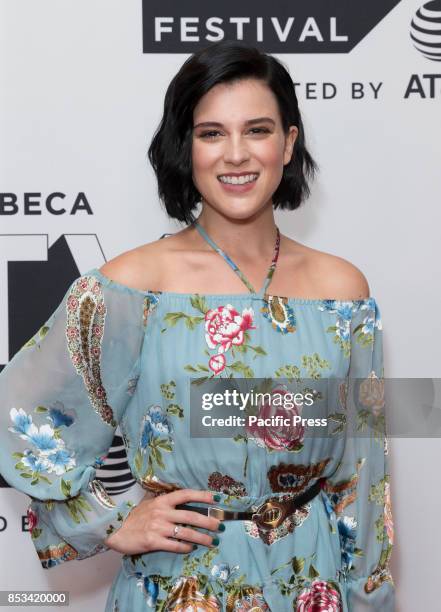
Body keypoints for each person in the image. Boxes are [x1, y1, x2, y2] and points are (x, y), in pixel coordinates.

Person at [0, 40, 394, 611]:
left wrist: (369, 600)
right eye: (212, 133)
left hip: (308, 585)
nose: (236, 154)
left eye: (257, 130)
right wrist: (105, 520)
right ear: (187, 147)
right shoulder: (133, 286)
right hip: (176, 586)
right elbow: (18, 421)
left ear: (288, 143)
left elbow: (364, 477)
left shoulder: (343, 292)